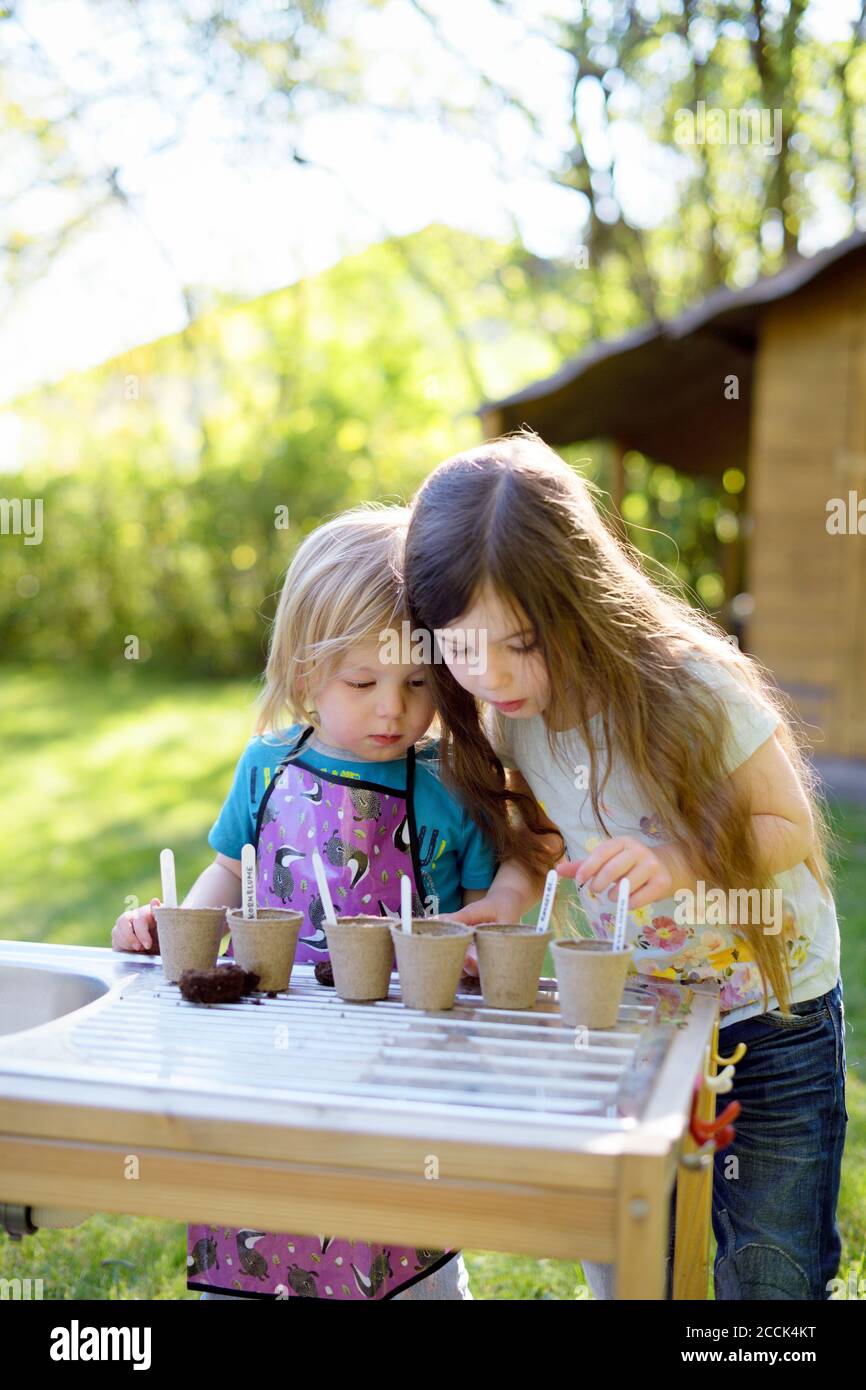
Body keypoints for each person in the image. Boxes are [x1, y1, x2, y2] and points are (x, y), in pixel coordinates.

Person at [404, 430, 849, 1301]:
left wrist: (680, 856)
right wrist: (509, 893)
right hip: (642, 1014)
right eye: (461, 647)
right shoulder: (513, 716)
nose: (490, 674)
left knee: (772, 1264)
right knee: (652, 1253)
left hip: (773, 1012)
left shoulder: (694, 686)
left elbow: (787, 825)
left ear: (587, 598)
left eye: (521, 643)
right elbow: (544, 847)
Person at [112, 502, 559, 1299]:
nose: (394, 708)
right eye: (363, 682)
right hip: (267, 1057)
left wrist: (473, 941)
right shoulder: (266, 768)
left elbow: (500, 901)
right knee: (262, 1201)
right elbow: (223, 879)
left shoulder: (448, 788)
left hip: (402, 1066)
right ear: (304, 672)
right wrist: (165, 926)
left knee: (399, 1224)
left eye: (418, 682)